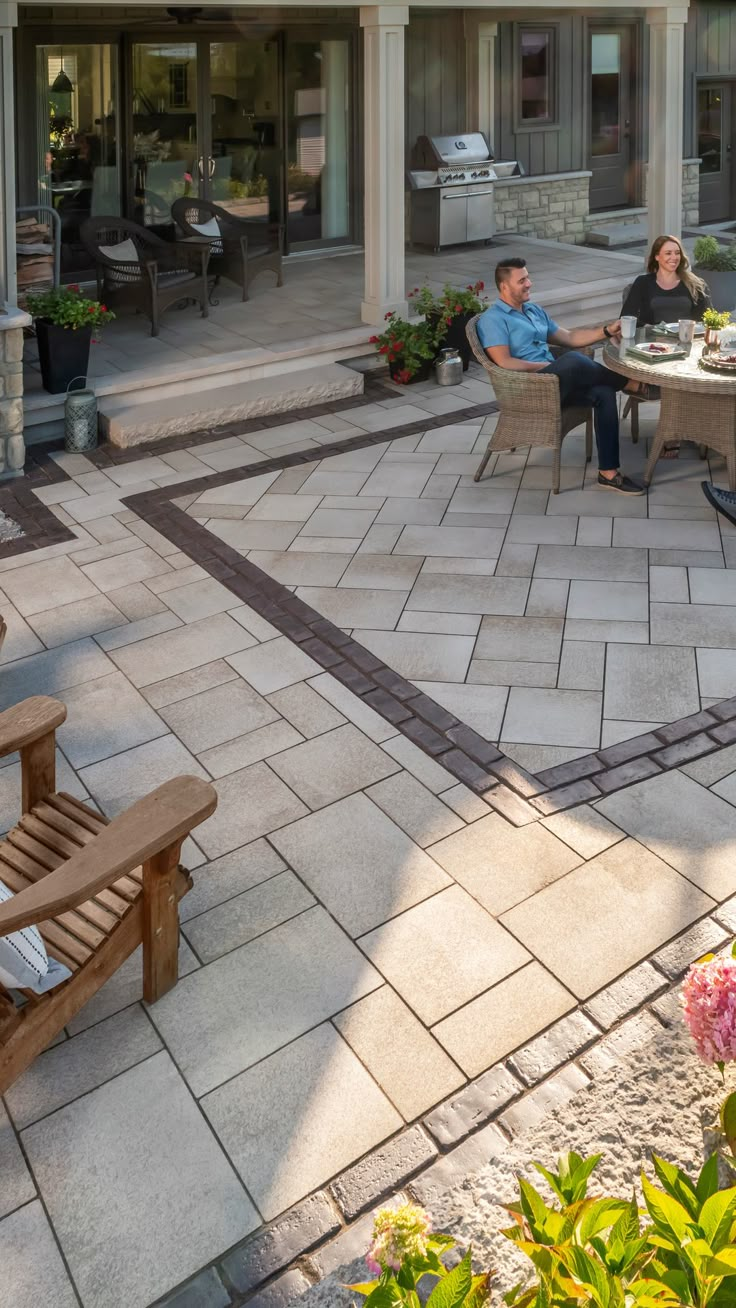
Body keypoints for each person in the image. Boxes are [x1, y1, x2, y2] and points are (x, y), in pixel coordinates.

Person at [477, 256, 645, 495]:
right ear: (505, 286)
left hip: (555, 383)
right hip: (529, 388)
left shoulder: (533, 310)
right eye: (522, 280)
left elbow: (569, 338)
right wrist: (544, 366)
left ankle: (608, 473)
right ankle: (631, 383)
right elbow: (504, 362)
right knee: (575, 360)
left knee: (603, 392)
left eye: (528, 277)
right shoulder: (493, 319)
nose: (529, 283)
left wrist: (606, 330)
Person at [621, 234, 711, 327]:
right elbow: (626, 317)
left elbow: (709, 319)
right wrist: (647, 327)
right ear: (657, 256)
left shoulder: (695, 284)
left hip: (687, 337)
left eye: (677, 253)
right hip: (652, 339)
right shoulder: (643, 282)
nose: (674, 257)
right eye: (668, 253)